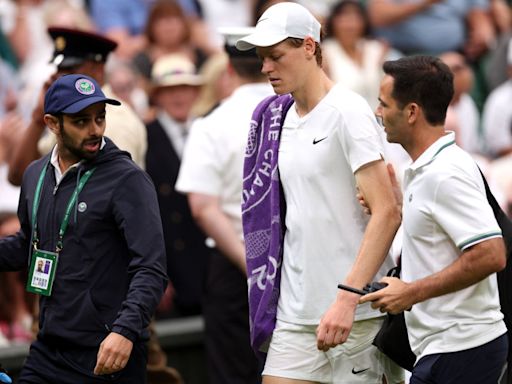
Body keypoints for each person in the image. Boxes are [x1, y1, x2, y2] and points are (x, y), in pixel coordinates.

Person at [235, 3, 403, 383]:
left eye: (276, 56)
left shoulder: (348, 111)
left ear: (309, 47)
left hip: (357, 313)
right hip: (294, 314)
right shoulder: (276, 119)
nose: (266, 68)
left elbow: (388, 211)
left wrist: (346, 299)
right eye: (262, 59)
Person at [0, 73, 168, 383]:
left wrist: (125, 331)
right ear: (52, 123)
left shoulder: (126, 178)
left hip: (108, 353)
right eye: (81, 121)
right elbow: (29, 244)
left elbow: (151, 267)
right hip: (48, 349)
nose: (95, 130)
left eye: (100, 118)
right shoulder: (35, 174)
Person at [361, 55, 508, 383]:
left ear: (411, 112)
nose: (377, 112)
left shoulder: (443, 174)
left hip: (462, 349)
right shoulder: (428, 168)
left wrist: (410, 292)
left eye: (384, 104)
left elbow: (491, 254)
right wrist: (398, 209)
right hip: (448, 349)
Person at [176, 26, 272, 383]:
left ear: (228, 68)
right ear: (266, 63)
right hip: (295, 262)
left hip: (235, 271)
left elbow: (203, 207)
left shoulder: (211, 124)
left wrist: (252, 266)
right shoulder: (297, 114)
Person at [8, 27, 148, 186]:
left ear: (98, 70)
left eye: (70, 69)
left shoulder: (115, 121)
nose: (58, 76)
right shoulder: (66, 114)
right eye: (58, 69)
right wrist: (38, 118)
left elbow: (109, 195)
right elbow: (19, 177)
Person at [146, 53, 210, 317]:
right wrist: (155, 273)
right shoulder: (145, 138)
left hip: (213, 260)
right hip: (172, 264)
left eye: (184, 88)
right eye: (169, 90)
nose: (178, 97)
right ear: (157, 96)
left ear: (195, 92)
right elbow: (142, 214)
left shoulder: (210, 130)